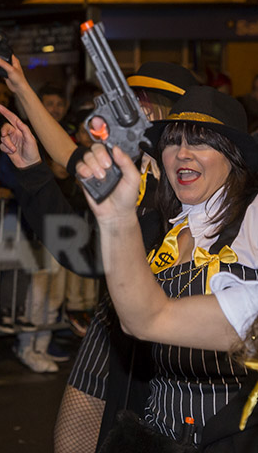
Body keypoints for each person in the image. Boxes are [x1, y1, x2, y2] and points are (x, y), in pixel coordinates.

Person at [0, 53, 201, 453]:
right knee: (72, 441)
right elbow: (70, 160)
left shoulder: (190, 184)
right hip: (114, 331)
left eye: (140, 102)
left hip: (172, 342)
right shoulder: (129, 172)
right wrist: (22, 93)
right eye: (129, 100)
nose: (130, 112)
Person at [70, 86, 258, 447]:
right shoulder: (160, 229)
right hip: (159, 433)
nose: (182, 153)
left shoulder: (251, 220)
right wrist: (116, 215)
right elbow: (142, 319)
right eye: (172, 143)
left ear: (233, 157)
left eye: (200, 142)